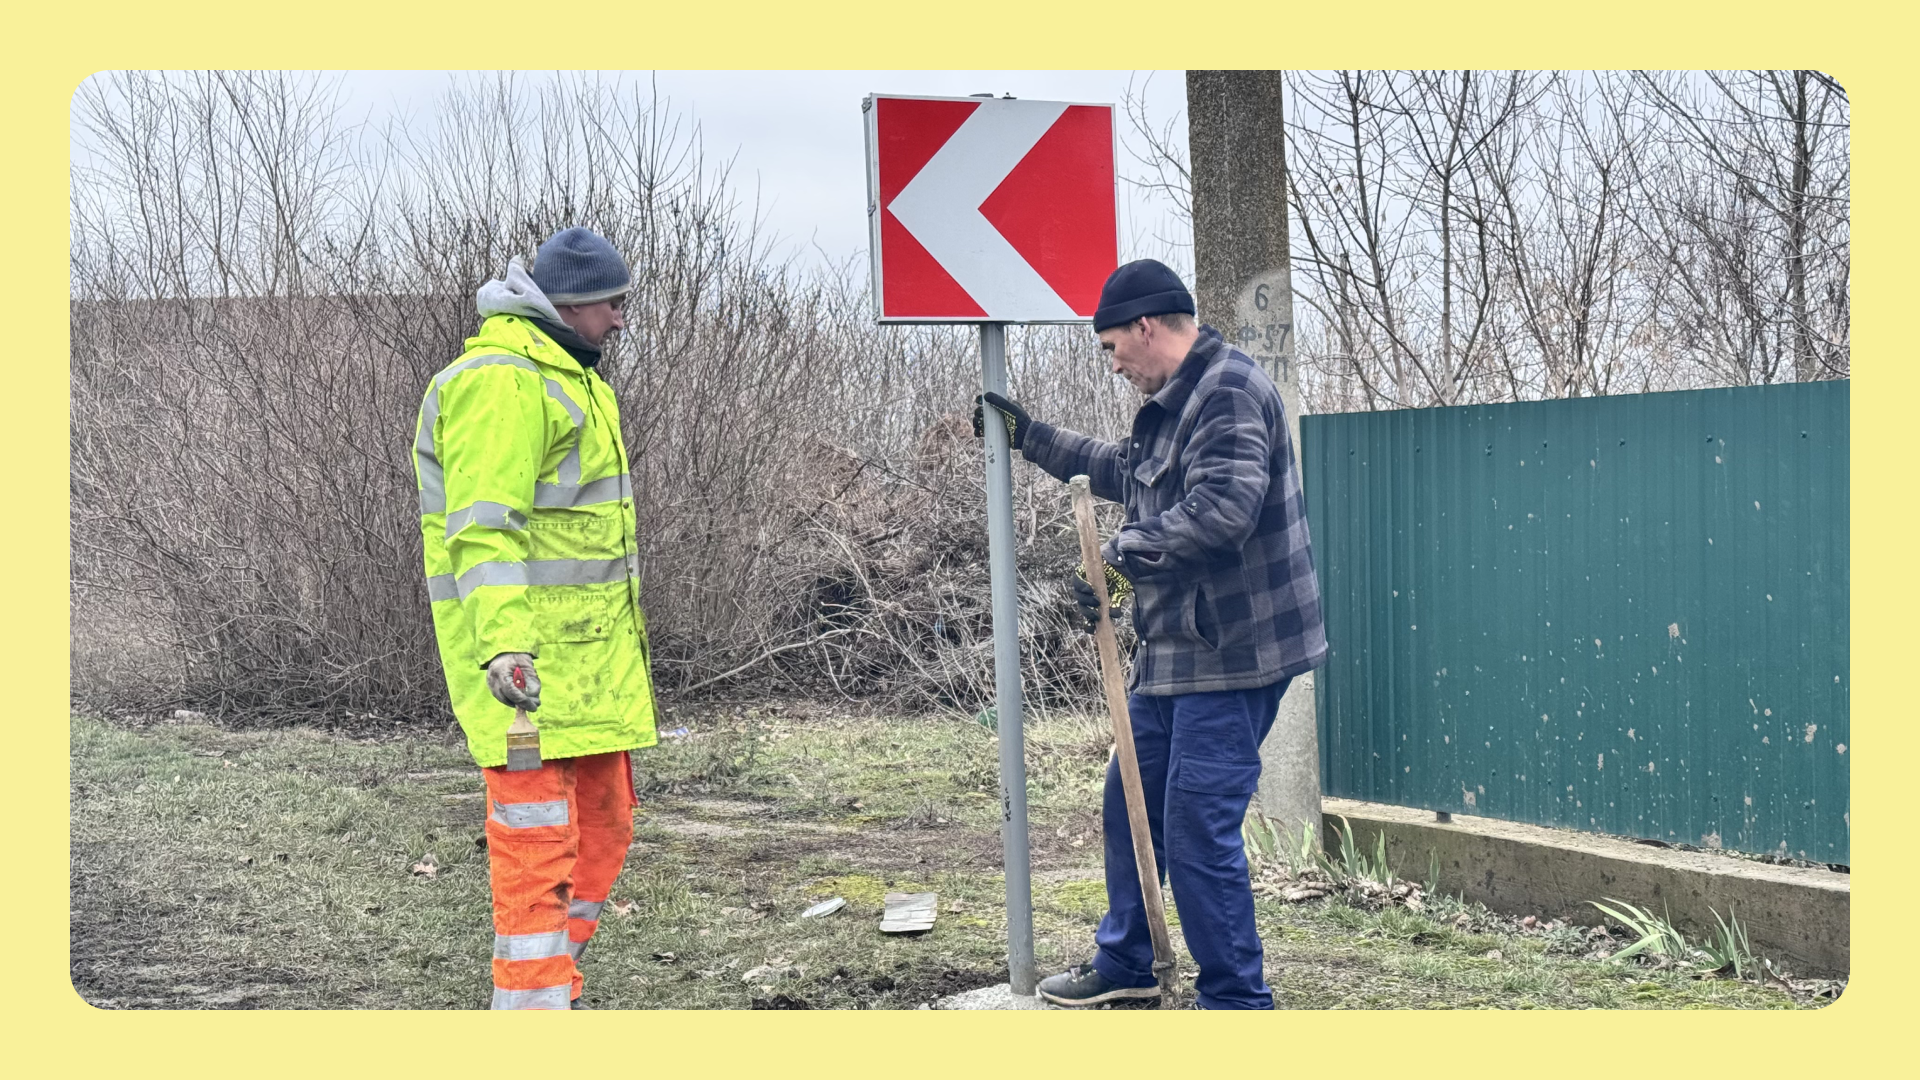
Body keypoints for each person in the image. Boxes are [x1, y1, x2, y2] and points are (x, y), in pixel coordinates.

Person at [974, 259, 1326, 1010]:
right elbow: (1123, 471)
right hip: (1171, 652)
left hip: (1232, 654)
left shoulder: (1228, 392)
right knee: (1126, 803)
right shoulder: (1176, 400)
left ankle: (1236, 1005)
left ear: (1145, 326)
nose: (1112, 365)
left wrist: (1118, 563)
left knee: (1197, 829)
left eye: (1110, 348)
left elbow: (1223, 511)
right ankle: (1130, 962)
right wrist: (1028, 436)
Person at [413, 226, 659, 1010]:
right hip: (529, 672)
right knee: (537, 845)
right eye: (613, 304)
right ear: (571, 304)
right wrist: (504, 646)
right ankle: (531, 1014)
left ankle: (556, 989)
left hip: (588, 670)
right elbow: (485, 530)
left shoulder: (570, 375)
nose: (622, 320)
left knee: (605, 827)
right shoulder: (503, 382)